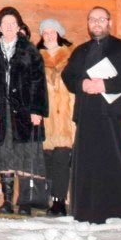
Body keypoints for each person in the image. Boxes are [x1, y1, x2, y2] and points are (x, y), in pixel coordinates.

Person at [61, 6, 121, 223]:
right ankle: (85, 212)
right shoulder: (80, 51)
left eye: (101, 19)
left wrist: (104, 85)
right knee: (88, 166)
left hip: (111, 114)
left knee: (113, 164)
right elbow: (68, 75)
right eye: (92, 20)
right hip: (87, 114)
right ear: (88, 24)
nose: (96, 23)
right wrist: (82, 83)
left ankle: (117, 212)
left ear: (109, 22)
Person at [0, 7, 48, 215]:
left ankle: (25, 202)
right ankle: (8, 200)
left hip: (26, 112)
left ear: (19, 26)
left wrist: (37, 109)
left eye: (13, 23)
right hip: (1, 112)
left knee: (26, 153)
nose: (9, 27)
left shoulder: (30, 51)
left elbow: (39, 82)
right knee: (5, 155)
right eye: (5, 23)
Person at [37, 18, 75, 217]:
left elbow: (75, 91)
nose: (49, 35)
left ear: (59, 35)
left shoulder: (71, 58)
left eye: (53, 32)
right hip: (45, 117)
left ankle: (60, 202)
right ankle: (51, 198)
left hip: (65, 117)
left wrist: (75, 118)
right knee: (48, 159)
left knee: (62, 157)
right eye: (45, 32)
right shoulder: (36, 59)